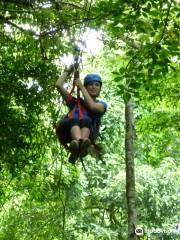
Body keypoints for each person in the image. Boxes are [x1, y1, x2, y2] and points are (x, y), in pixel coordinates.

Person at [55, 65, 107, 164]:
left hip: (89, 134)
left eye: (96, 85)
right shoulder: (76, 103)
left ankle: (79, 147)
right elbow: (58, 85)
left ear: (100, 88)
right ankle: (79, 143)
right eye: (90, 85)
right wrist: (68, 71)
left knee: (86, 119)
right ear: (86, 87)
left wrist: (81, 87)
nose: (93, 87)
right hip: (68, 131)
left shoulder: (101, 105)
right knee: (75, 117)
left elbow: (92, 106)